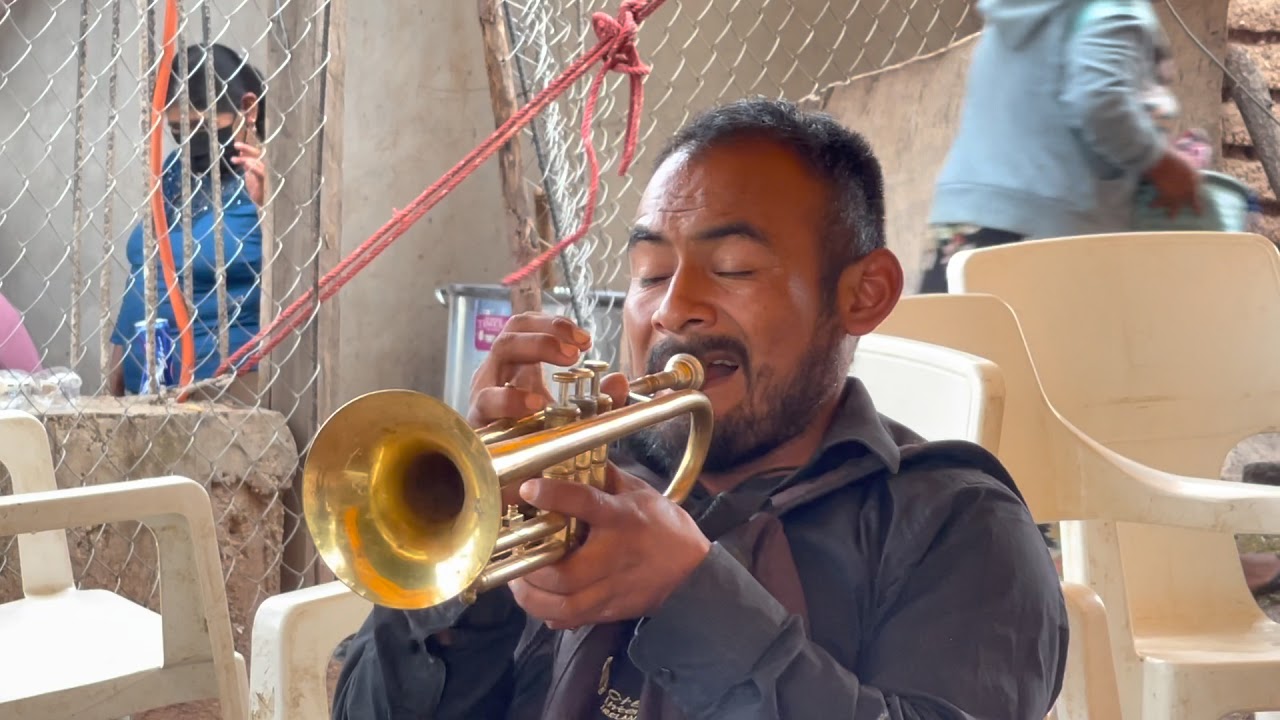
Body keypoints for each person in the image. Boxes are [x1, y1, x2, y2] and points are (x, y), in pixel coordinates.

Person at [333, 98, 1068, 719]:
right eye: (650, 274)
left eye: (733, 269)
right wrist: (466, 555)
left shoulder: (956, 527)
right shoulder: (574, 488)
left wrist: (691, 597)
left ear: (862, 294)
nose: (674, 309)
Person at [921, 0, 1204, 293]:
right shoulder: (1114, 8)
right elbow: (1102, 104)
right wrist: (1162, 165)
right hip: (1046, 233)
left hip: (962, 224)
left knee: (946, 335)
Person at [108, 43, 267, 397]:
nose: (190, 143)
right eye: (179, 129)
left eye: (202, 126)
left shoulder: (275, 179)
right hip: (148, 391)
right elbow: (144, 269)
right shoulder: (175, 173)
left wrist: (268, 205)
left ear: (248, 108)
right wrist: (119, 367)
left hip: (227, 391)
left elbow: (299, 279)